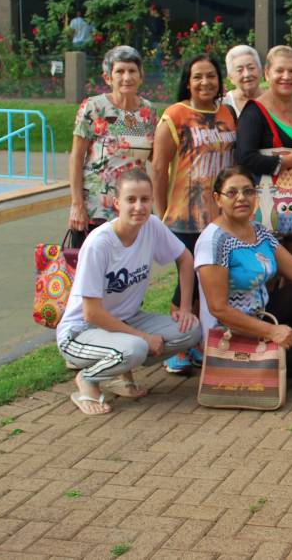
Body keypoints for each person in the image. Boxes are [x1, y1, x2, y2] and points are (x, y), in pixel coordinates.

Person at [56, 169, 201, 416]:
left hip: (126, 321)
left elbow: (185, 258)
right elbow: (91, 314)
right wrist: (144, 337)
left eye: (145, 199)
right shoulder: (99, 244)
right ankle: (87, 380)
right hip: (80, 332)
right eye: (131, 200)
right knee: (136, 347)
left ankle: (119, 373)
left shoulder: (152, 226)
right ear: (116, 203)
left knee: (191, 329)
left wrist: (186, 308)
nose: (138, 207)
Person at [196, 166, 292, 381]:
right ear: (217, 199)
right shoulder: (214, 242)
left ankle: (275, 350)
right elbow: (218, 309)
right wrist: (271, 331)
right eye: (232, 192)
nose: (241, 198)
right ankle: (253, 361)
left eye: (248, 191)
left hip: (261, 315)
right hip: (230, 331)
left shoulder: (258, 230)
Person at [150, 53, 237, 374]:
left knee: (208, 283)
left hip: (219, 219)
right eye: (197, 76)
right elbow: (158, 169)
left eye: (211, 76)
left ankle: (195, 342)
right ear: (187, 81)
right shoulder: (174, 116)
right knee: (185, 283)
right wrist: (162, 214)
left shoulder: (227, 113)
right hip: (184, 217)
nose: (205, 82)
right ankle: (176, 347)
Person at [234, 46, 292, 263]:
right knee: (268, 270)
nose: (286, 76)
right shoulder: (254, 112)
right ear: (267, 74)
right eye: (279, 70)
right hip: (267, 204)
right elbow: (244, 157)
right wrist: (285, 162)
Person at [69, 45, 157, 244]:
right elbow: (76, 158)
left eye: (132, 71)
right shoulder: (94, 107)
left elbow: (152, 155)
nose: (127, 77)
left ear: (141, 76)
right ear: (108, 77)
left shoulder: (148, 111)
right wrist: (77, 204)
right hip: (96, 209)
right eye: (120, 71)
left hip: (134, 209)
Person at [222, 44, 263, 118]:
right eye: (240, 70)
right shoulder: (223, 103)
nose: (247, 74)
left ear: (260, 71)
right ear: (230, 77)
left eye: (251, 68)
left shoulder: (274, 100)